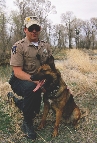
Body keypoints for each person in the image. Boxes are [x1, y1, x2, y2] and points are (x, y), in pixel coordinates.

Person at [8, 16, 52, 140]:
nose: (34, 31)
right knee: (32, 88)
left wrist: (60, 85)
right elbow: (17, 72)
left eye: (36, 28)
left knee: (35, 110)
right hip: (20, 81)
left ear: (40, 29)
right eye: (31, 28)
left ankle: (18, 102)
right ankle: (27, 122)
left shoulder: (46, 46)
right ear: (25, 30)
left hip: (38, 82)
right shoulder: (19, 46)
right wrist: (38, 82)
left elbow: (51, 69)